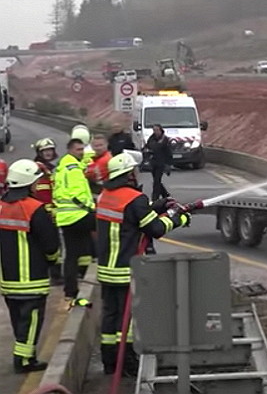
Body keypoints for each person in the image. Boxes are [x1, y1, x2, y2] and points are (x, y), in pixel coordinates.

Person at [96, 152, 190, 375]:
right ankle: (127, 363)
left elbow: (131, 218)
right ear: (129, 174)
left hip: (106, 270)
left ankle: (109, 362)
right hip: (126, 270)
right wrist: (178, 218)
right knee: (127, 320)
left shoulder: (105, 196)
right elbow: (156, 229)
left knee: (110, 317)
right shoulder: (134, 199)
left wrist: (156, 206)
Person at [0, 159, 60, 373]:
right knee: (32, 322)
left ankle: (25, 355)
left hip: (7, 281)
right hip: (32, 280)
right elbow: (51, 244)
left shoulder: (1, 207)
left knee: (19, 321)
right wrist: (54, 262)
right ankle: (24, 361)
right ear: (30, 184)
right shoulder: (35, 209)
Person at [53, 139, 95, 306]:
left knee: (72, 254)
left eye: (82, 149)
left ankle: (70, 290)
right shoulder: (73, 169)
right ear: (70, 150)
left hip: (64, 217)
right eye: (78, 149)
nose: (81, 152)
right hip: (79, 214)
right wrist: (90, 207)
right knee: (107, 229)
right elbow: (77, 193)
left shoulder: (62, 166)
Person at [33, 138, 62, 285]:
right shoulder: (39, 168)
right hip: (44, 213)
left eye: (50, 150)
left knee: (54, 244)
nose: (48, 153)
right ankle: (54, 276)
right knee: (51, 244)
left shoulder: (50, 168)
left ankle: (55, 274)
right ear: (39, 152)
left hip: (50, 212)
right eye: (45, 151)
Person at [144, 124, 173, 201]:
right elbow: (147, 147)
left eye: (157, 130)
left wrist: (168, 164)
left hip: (161, 163)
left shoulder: (165, 140)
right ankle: (165, 194)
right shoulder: (151, 139)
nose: (156, 132)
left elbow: (168, 152)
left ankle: (154, 198)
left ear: (161, 130)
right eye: (154, 130)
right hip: (153, 163)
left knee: (157, 181)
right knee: (156, 181)